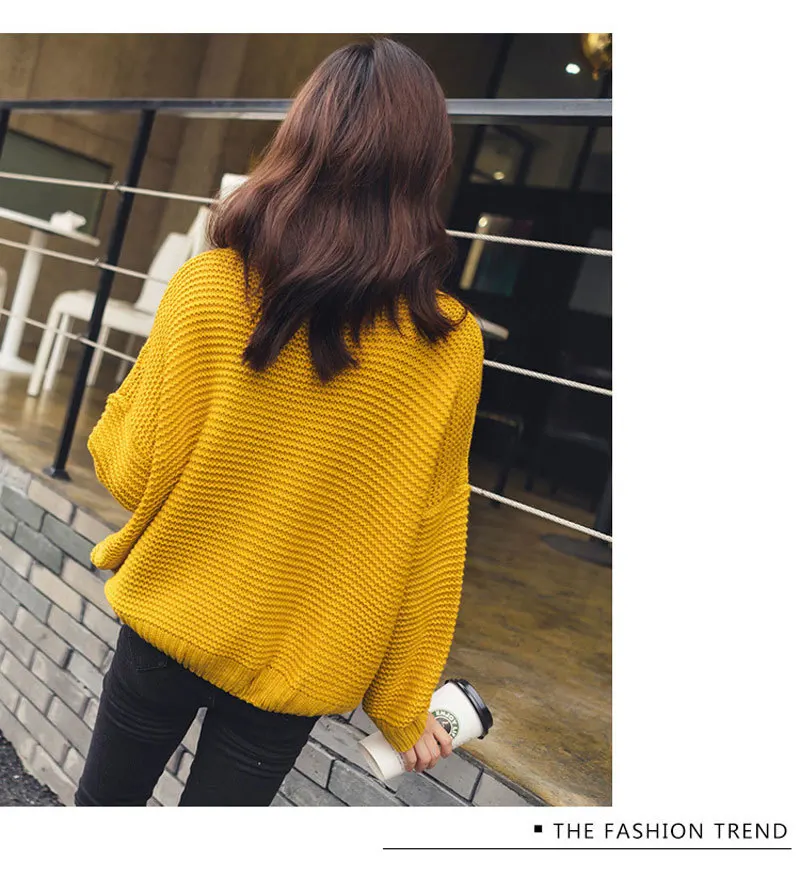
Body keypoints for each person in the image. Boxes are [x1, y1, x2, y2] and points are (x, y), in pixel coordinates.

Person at [75, 37, 484, 807]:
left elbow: (129, 471)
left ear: (300, 138)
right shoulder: (449, 343)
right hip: (298, 664)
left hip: (173, 619)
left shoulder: (210, 288)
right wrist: (403, 705)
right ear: (426, 166)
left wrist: (133, 398)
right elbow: (433, 529)